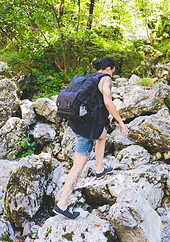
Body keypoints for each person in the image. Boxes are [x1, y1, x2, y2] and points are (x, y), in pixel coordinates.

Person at [53, 57, 127, 219]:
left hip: (78, 122)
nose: (112, 75)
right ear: (109, 68)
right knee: (78, 167)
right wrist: (120, 121)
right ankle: (62, 204)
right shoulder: (105, 79)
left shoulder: (91, 77)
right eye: (113, 71)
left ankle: (99, 169)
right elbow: (108, 102)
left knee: (102, 135)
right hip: (86, 128)